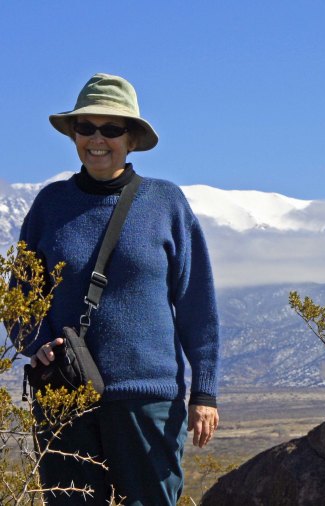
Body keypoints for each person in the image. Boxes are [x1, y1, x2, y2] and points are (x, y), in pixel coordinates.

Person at [17, 73, 220, 505]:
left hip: (147, 402)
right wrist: (34, 343)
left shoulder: (166, 203)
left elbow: (197, 306)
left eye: (111, 129)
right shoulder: (49, 205)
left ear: (130, 139)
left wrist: (204, 393)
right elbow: (18, 294)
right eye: (86, 127)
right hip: (64, 398)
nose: (97, 139)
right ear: (73, 134)